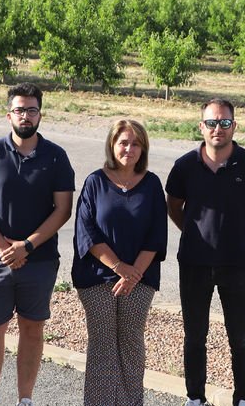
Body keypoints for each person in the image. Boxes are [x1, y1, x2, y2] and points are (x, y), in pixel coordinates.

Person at [0, 83, 75, 406]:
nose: (25, 116)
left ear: (40, 114)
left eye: (31, 110)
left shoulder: (56, 158)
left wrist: (26, 246)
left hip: (38, 262)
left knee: (32, 330)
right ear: (8, 114)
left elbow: (63, 209)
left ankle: (25, 400)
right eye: (19, 110)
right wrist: (3, 247)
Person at [166, 99, 245, 406]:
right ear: (201, 126)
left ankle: (243, 399)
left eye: (224, 123)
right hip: (194, 263)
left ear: (234, 126)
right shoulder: (185, 166)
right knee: (195, 336)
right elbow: (174, 207)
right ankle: (195, 398)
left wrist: (241, 237)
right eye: (211, 123)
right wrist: (194, 233)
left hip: (237, 264)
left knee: (239, 337)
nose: (218, 129)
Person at [72, 119, 168, 406]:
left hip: (139, 279)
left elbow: (156, 234)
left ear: (144, 149)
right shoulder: (94, 182)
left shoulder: (151, 184)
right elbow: (86, 231)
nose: (129, 148)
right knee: (102, 344)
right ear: (112, 145)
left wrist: (132, 274)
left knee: (131, 342)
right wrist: (118, 268)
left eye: (136, 143)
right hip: (97, 276)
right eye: (123, 142)